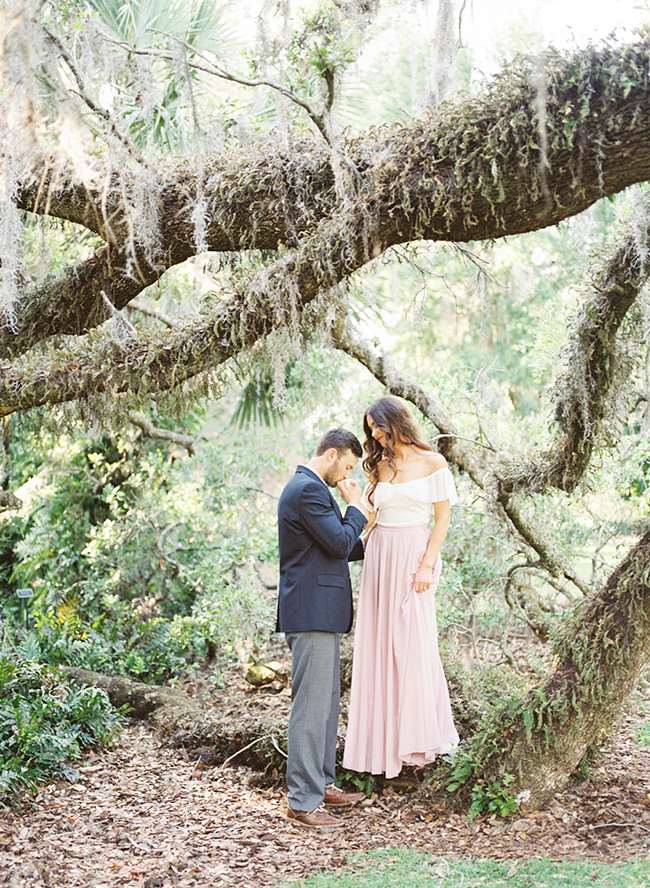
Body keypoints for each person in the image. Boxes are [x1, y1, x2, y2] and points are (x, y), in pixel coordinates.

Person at [343, 395, 460, 779]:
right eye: (371, 429)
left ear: (398, 422)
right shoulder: (378, 464)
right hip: (379, 557)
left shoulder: (433, 463)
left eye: (379, 426)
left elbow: (442, 521)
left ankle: (418, 740)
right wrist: (353, 501)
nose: (374, 435)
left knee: (413, 645)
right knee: (378, 645)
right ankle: (380, 748)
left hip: (412, 556)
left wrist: (427, 565)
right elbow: (374, 517)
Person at [276, 428, 370, 829]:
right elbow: (338, 544)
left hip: (321, 614)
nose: (346, 474)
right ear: (332, 454)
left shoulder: (313, 491)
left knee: (326, 705)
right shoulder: (308, 490)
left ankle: (321, 784)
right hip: (310, 613)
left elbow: (345, 546)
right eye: (347, 465)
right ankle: (301, 800)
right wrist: (357, 508)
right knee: (311, 708)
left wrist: (366, 527)